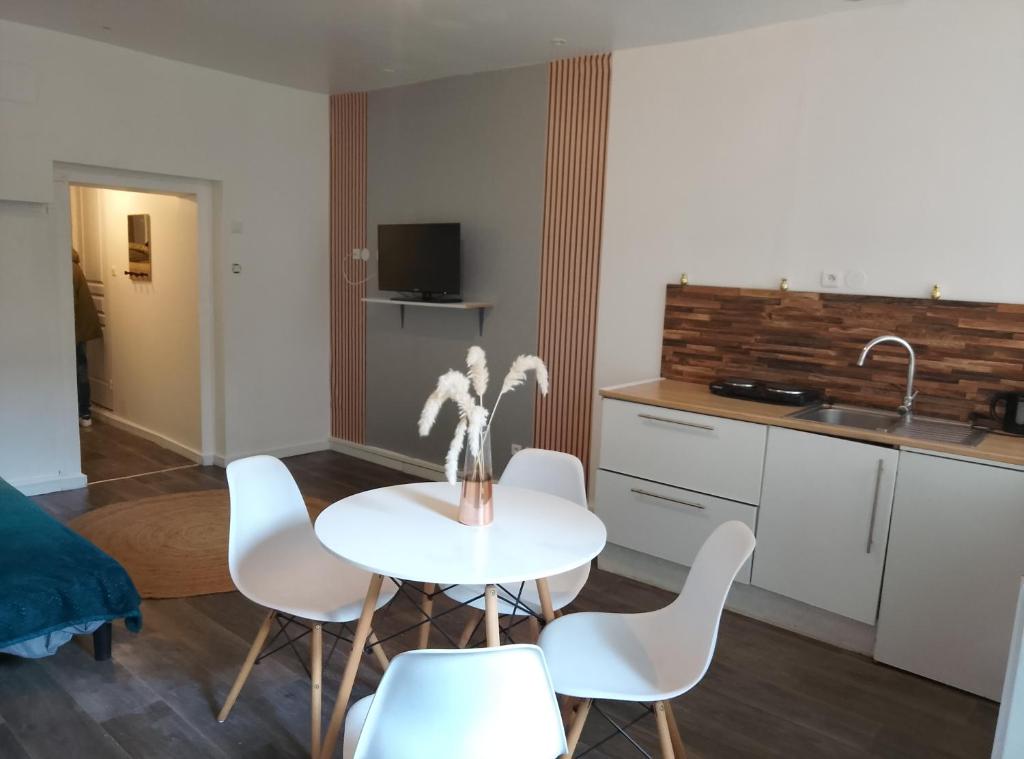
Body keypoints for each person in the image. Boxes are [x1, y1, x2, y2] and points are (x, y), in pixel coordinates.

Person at [72, 249, 102, 427]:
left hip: (75, 327)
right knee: (80, 366)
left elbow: (70, 304)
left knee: (78, 368)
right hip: (80, 326)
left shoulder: (66, 269)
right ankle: (84, 412)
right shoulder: (74, 267)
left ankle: (83, 411)